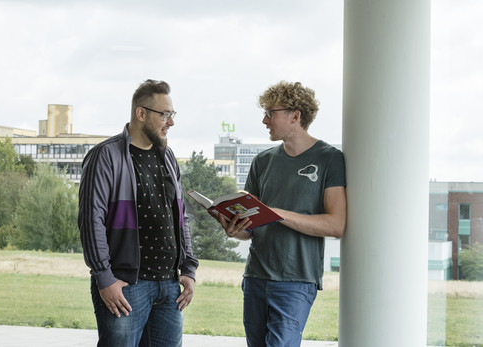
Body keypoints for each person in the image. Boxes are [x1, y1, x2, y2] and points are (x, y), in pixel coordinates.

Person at [219, 81, 347, 347]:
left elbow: (336, 224)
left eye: (271, 113)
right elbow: (249, 228)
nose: (265, 120)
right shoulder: (262, 161)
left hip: (296, 281)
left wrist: (276, 213)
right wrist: (234, 229)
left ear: (295, 116)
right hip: (255, 277)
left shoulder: (329, 159)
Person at [78, 79, 199, 347]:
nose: (171, 122)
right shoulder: (105, 156)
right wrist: (104, 278)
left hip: (169, 287)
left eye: (172, 114)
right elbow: (91, 221)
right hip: (125, 285)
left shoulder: (167, 157)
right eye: (165, 114)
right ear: (141, 113)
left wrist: (188, 269)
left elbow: (181, 219)